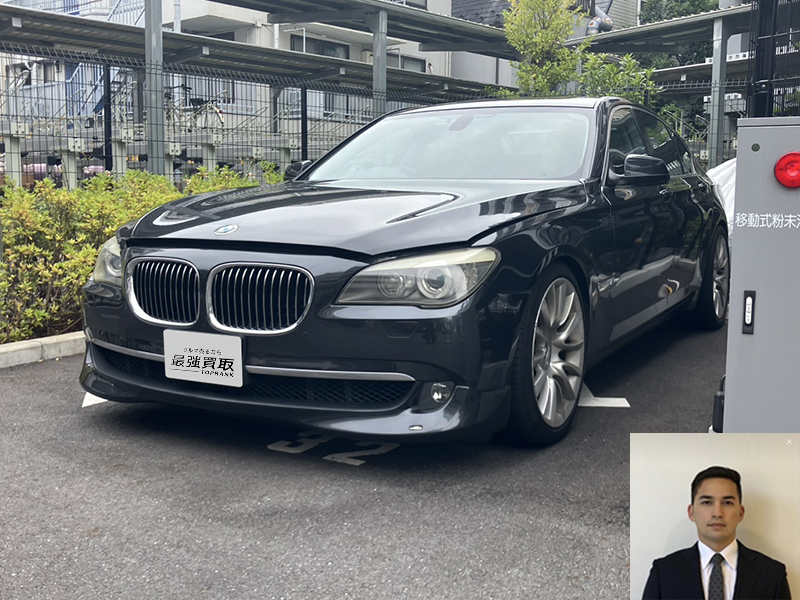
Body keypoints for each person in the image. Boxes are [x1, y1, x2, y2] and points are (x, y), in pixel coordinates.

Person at [642, 466, 791, 600]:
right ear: (691, 512)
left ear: (740, 513)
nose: (717, 513)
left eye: (727, 503)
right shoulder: (664, 572)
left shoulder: (771, 574)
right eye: (707, 502)